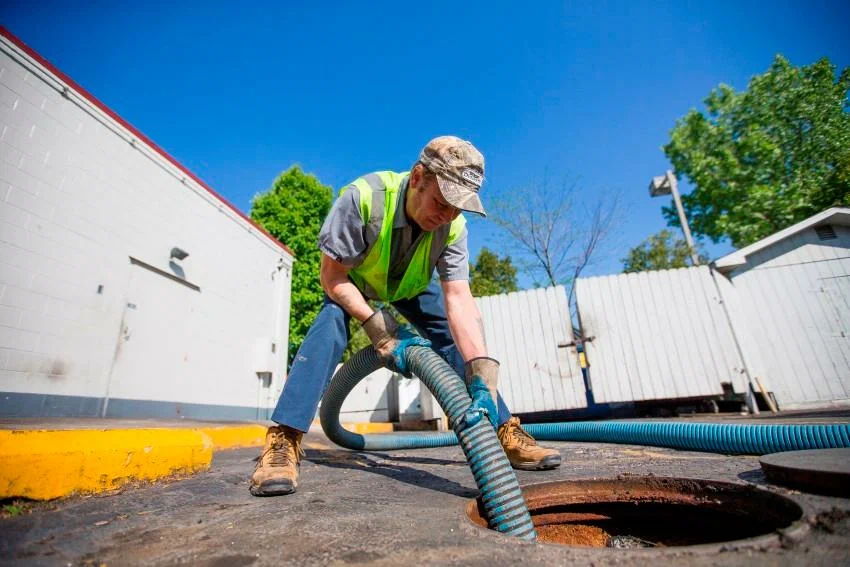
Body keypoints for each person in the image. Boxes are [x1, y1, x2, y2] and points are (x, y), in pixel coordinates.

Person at [250, 136, 560, 496]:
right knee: (330, 325)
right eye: (441, 202)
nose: (447, 216)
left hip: (409, 287)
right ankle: (284, 438)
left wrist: (482, 375)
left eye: (457, 208)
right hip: (354, 281)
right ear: (416, 178)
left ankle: (503, 428)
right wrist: (381, 331)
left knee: (453, 338)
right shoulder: (363, 198)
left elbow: (459, 298)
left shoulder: (454, 227)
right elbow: (331, 278)